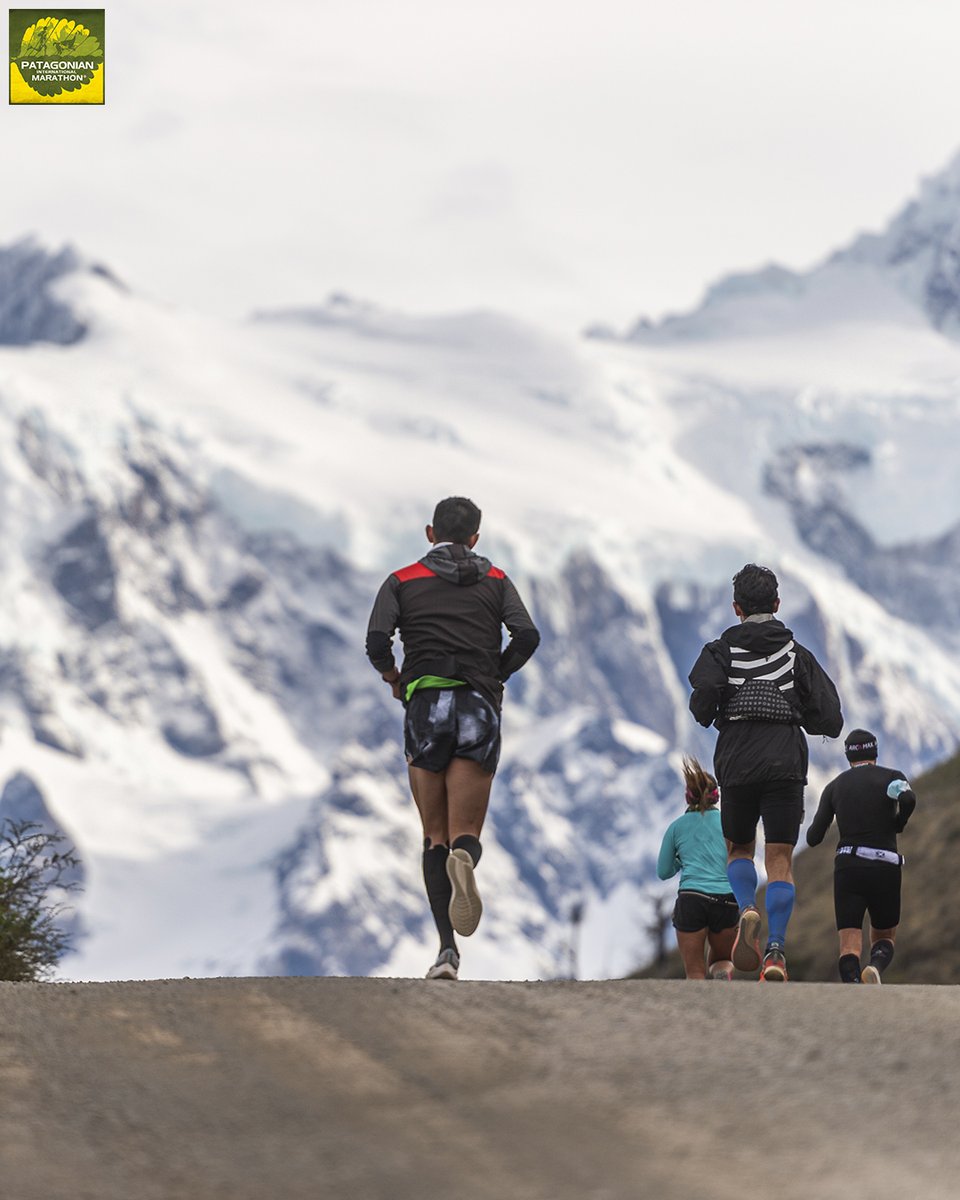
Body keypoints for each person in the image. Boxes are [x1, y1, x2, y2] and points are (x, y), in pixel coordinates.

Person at [365, 497, 540, 981]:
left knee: (433, 836)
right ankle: (467, 858)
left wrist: (394, 677)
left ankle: (446, 952)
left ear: (429, 533)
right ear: (476, 539)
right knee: (465, 834)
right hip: (478, 707)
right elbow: (527, 635)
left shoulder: (400, 581)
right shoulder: (498, 581)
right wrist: (493, 674)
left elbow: (377, 642)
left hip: (425, 707)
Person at [688, 564, 843, 982]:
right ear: (777, 605)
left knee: (739, 849)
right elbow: (830, 718)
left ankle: (746, 910)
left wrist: (718, 707)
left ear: (736, 607)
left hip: (737, 762)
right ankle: (775, 951)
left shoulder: (719, 652)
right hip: (785, 764)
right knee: (779, 858)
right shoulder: (796, 654)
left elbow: (702, 705)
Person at [806, 728, 916, 984]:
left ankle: (854, 987)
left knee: (849, 945)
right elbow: (908, 797)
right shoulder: (891, 778)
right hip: (884, 865)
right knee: (884, 937)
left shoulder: (835, 786)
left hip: (849, 867)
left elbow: (813, 838)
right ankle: (875, 966)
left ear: (848, 757)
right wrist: (898, 822)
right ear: (874, 752)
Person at [657, 757, 738, 980]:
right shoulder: (728, 822)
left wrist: (681, 860)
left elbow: (663, 871)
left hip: (691, 898)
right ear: (717, 796)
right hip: (726, 899)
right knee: (723, 960)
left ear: (688, 796)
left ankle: (702, 1012)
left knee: (694, 971)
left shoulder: (676, 827)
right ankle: (723, 976)